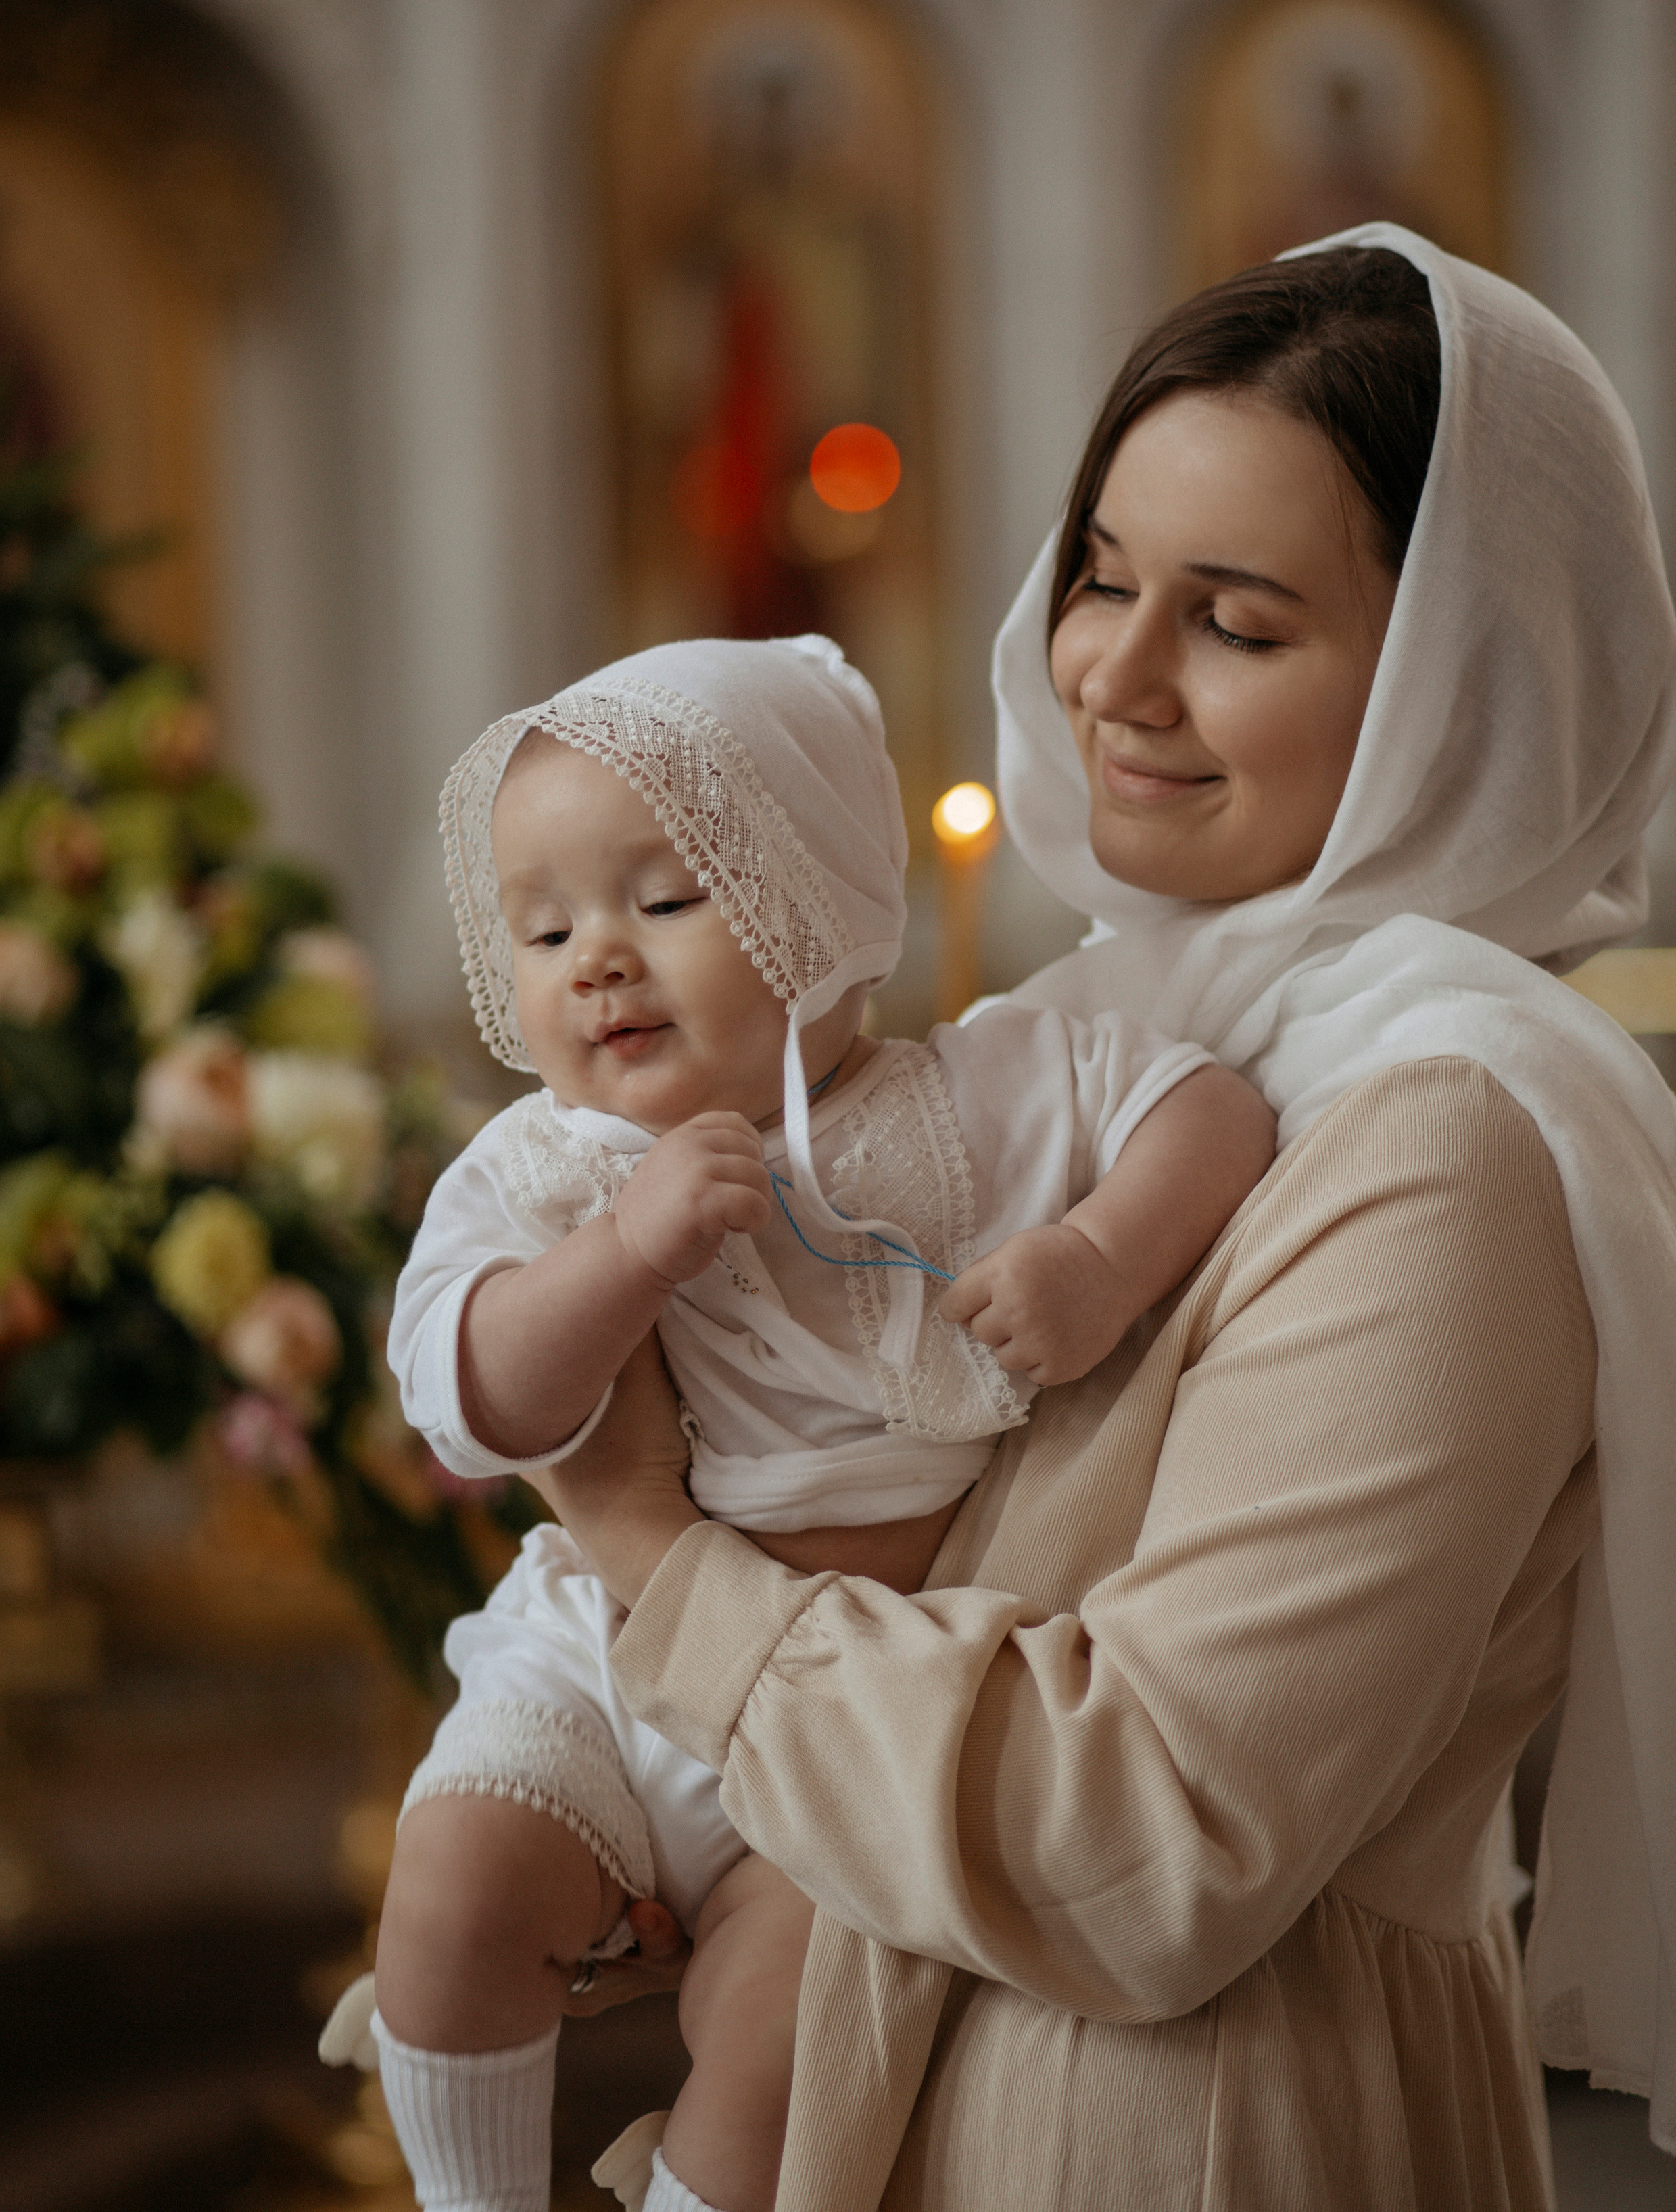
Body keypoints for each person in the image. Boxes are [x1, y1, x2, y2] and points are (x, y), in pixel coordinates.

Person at [525, 227, 1676, 2209]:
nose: (1114, 679)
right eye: (1104, 577)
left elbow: (1146, 1836)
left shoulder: (1450, 1143)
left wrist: (651, 1556)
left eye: (1236, 622)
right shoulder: (1101, 1029)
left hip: (1191, 2131)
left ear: (1455, 678)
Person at [344, 634, 1276, 2212]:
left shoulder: (980, 1093)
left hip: (865, 1707)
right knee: (447, 1895)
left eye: (662, 898)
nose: (597, 960)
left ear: (817, 899)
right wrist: (618, 1259)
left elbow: (1208, 1109)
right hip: (611, 1659)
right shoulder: (544, 1171)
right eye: (547, 925)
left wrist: (1099, 1260)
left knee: (786, 2034)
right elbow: (462, 1393)